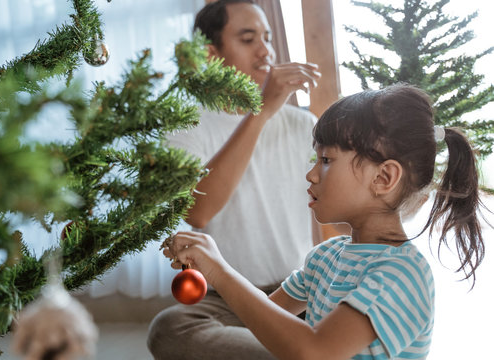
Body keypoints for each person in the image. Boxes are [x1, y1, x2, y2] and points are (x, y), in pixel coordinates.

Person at [161, 83, 488, 359]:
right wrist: (210, 270)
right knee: (168, 327)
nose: (311, 173)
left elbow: (314, 352)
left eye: (327, 160)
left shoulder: (401, 274)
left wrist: (220, 269)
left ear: (384, 177)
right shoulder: (326, 257)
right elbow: (262, 317)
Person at [147, 0, 323, 359]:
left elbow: (322, 216)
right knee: (169, 329)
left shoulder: (304, 124)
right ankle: (301, 351)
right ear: (212, 54)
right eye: (248, 39)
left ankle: (294, 346)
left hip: (300, 292)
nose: (266, 51)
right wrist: (259, 114)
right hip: (228, 300)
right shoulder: (184, 125)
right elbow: (197, 211)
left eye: (267, 37)